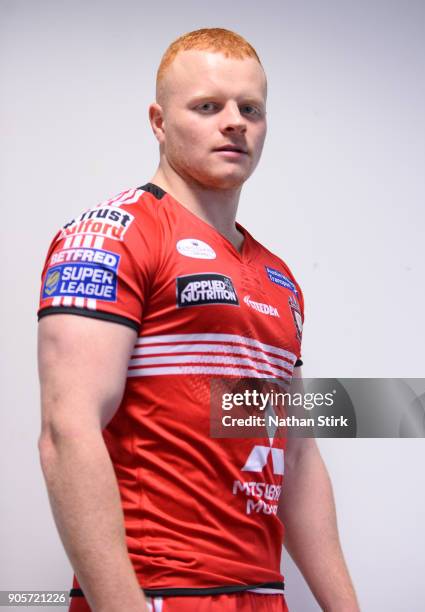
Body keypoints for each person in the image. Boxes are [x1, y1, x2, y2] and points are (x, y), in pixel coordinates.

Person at [37, 28, 359, 612]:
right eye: (208, 106)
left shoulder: (279, 277)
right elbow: (68, 430)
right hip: (159, 592)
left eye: (250, 109)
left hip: (263, 596)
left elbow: (299, 455)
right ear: (159, 122)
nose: (234, 122)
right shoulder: (110, 237)